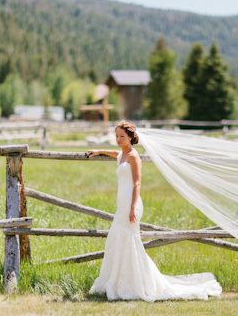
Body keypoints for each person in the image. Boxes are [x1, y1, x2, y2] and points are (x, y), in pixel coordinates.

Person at [86, 121, 222, 302]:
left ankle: (138, 285)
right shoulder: (123, 155)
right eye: (116, 136)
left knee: (128, 240)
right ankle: (119, 282)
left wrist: (133, 207)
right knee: (118, 239)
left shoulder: (134, 156)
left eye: (122, 136)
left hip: (131, 204)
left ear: (130, 137)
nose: (118, 139)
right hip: (121, 203)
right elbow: (117, 155)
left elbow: (137, 183)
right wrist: (100, 151)